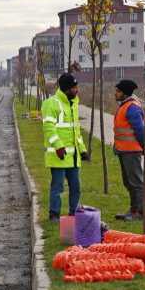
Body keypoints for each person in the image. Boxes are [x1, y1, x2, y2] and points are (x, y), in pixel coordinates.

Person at [42, 73, 87, 222]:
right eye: (74, 87)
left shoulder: (73, 103)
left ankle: (74, 213)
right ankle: (54, 214)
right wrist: (58, 146)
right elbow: (49, 128)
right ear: (67, 89)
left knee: (76, 187)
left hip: (73, 157)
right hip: (59, 155)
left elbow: (76, 131)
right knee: (58, 187)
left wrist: (83, 150)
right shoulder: (51, 103)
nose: (77, 90)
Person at [113, 79, 145, 221]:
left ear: (125, 93)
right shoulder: (125, 106)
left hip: (131, 152)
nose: (116, 93)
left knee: (136, 182)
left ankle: (139, 212)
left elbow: (140, 130)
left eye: (118, 91)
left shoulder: (132, 107)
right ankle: (133, 209)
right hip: (124, 151)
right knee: (128, 182)